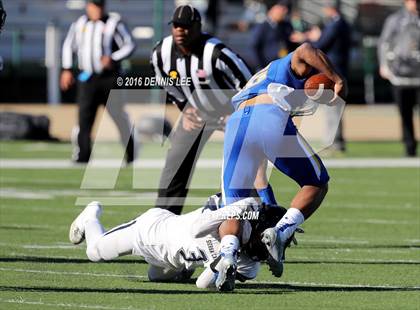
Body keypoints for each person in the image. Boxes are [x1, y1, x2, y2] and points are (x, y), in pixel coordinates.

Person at [220, 43, 346, 281]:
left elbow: (259, 176)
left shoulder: (260, 80)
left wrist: (270, 206)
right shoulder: (287, 68)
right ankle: (283, 231)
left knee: (233, 209)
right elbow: (306, 48)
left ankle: (227, 255)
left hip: (236, 125)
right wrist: (336, 78)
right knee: (316, 182)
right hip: (268, 114)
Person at [151, 5, 276, 215]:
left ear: (198, 27)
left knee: (252, 170)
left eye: (186, 26)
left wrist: (240, 115)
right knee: (175, 164)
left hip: (230, 113)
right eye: (176, 26)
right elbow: (163, 81)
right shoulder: (161, 53)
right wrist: (184, 107)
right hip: (197, 113)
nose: (180, 31)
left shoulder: (217, 53)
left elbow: (250, 83)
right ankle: (163, 219)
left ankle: (265, 218)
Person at [68, 198, 296, 292]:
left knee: (155, 278)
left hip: (173, 259)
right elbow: (196, 229)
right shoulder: (234, 222)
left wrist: (223, 264)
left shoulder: (250, 265)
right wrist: (243, 207)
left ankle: (184, 267)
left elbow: (203, 283)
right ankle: (91, 215)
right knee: (94, 251)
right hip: (150, 233)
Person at [61, 0, 136, 163]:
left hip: (109, 78)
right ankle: (83, 155)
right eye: (95, 5)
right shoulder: (79, 23)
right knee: (84, 118)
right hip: (87, 78)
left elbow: (129, 45)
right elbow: (69, 46)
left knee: (118, 116)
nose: (98, 9)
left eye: (100, 5)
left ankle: (131, 152)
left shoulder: (114, 23)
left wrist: (113, 58)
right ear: (88, 6)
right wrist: (67, 69)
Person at [291, 0, 351, 152]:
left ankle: (333, 142)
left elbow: (322, 44)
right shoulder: (339, 23)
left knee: (332, 107)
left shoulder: (336, 24)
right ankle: (333, 140)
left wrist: (309, 37)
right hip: (338, 69)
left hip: (334, 71)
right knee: (331, 108)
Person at [378, 0, 420, 157]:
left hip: (418, 75)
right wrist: (384, 66)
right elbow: (384, 43)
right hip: (400, 76)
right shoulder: (395, 20)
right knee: (405, 114)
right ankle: (410, 148)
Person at [250, 0, 295, 70]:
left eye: (286, 9)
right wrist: (261, 67)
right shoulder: (262, 27)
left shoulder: (287, 26)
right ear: (272, 9)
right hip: (268, 68)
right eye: (282, 8)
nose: (285, 11)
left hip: (286, 66)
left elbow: (292, 44)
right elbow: (254, 47)